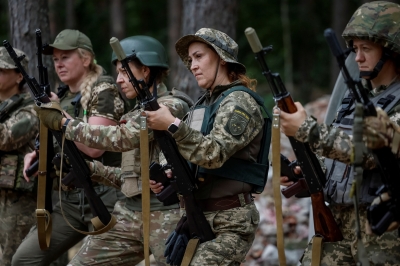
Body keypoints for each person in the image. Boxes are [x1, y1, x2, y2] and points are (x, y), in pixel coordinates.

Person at [35, 35, 193, 265]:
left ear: (145, 71)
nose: (118, 80)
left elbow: (123, 137)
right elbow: (129, 178)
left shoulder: (170, 106)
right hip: (127, 214)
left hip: (168, 215)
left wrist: (64, 124)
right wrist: (90, 169)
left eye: (123, 72)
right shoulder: (134, 113)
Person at [278, 1, 400, 265]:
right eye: (355, 49)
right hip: (339, 223)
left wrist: (306, 129)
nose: (357, 58)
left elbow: (369, 153)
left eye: (366, 49)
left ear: (390, 51)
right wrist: (308, 168)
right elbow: (339, 155)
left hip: (382, 229)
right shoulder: (352, 100)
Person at [146, 28, 270, 265]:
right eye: (191, 59)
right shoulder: (203, 104)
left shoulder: (239, 102)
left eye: (199, 56)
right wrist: (168, 172)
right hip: (196, 216)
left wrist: (171, 124)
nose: (192, 65)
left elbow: (213, 153)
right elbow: (186, 148)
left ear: (222, 58)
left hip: (230, 223)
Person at [11, 29, 125, 266]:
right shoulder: (61, 96)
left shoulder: (103, 88)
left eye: (65, 57)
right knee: (24, 260)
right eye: (55, 59)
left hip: (105, 197)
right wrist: (38, 154)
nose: (58, 64)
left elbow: (96, 148)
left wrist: (56, 114)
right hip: (69, 200)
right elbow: (59, 141)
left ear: (85, 59)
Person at [0, 46, 38, 266]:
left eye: (2, 69)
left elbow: (5, 138)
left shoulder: (30, 110)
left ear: (19, 76)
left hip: (17, 204)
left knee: (12, 261)